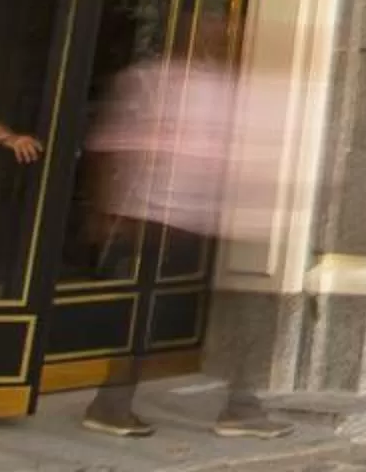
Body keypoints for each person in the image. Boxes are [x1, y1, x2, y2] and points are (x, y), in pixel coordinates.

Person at [77, 37, 291, 439]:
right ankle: (114, 403)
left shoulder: (229, 87)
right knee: (150, 313)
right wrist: (105, 210)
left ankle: (239, 407)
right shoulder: (153, 81)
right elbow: (111, 145)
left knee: (235, 309)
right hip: (157, 217)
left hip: (207, 217)